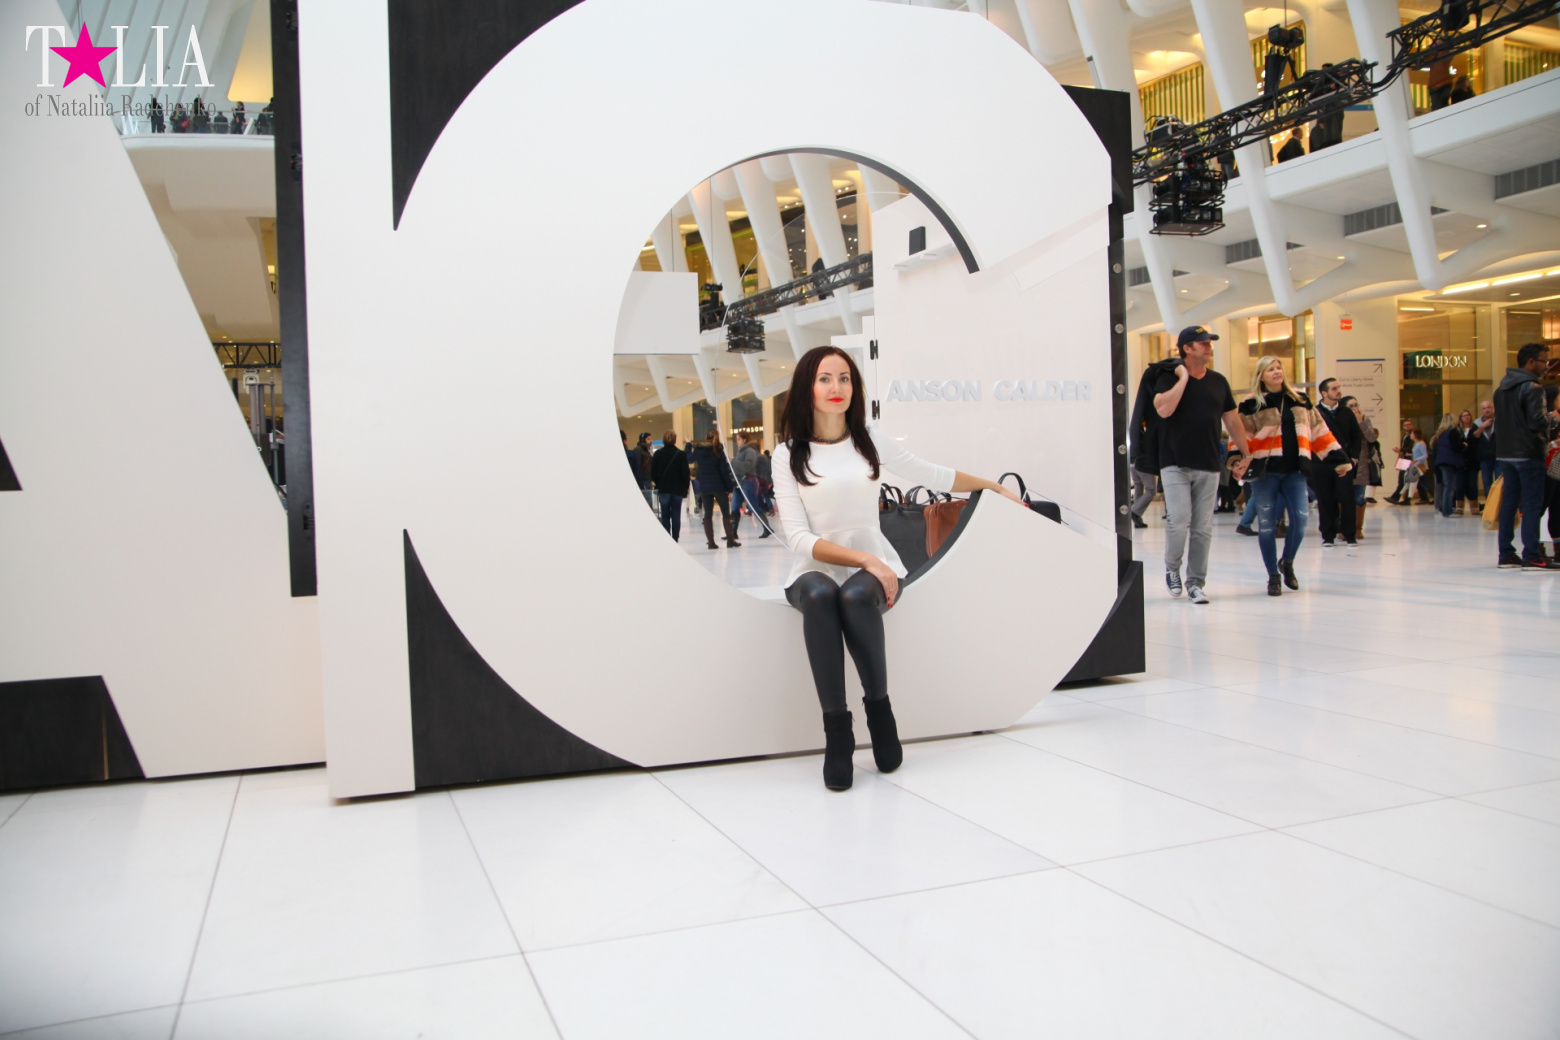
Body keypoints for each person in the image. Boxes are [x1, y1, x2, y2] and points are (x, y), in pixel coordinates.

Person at [771, 346, 1023, 790]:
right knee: (822, 594)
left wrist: (991, 486)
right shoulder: (787, 454)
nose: (836, 387)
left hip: (874, 568)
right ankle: (837, 732)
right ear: (807, 387)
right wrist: (865, 559)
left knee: (854, 597)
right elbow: (798, 538)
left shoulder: (869, 440)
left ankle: (879, 713)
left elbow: (933, 474)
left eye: (845, 378)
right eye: (825, 378)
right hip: (815, 567)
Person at [1153, 326, 1252, 604]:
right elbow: (1164, 409)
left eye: (1210, 343)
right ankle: (1172, 568)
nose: (1209, 347)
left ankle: (1196, 583)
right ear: (1187, 348)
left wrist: (1246, 454)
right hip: (1174, 461)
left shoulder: (1218, 381)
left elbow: (1232, 420)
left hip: (1208, 462)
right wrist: (1184, 377)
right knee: (1178, 519)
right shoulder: (1167, 377)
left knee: (1202, 527)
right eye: (1203, 343)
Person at [1239, 357, 1351, 596]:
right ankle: (1273, 575)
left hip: (1295, 471)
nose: (1277, 372)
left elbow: (1319, 431)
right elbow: (1241, 436)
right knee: (1267, 525)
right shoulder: (1250, 403)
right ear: (1261, 375)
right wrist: (1237, 460)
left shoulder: (1299, 398)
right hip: (1265, 472)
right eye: (1270, 369)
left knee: (1300, 520)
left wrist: (1337, 459)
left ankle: (1287, 562)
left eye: (1278, 368)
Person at [1494, 342, 1555, 569]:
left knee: (1509, 503)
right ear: (1531, 362)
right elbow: (1537, 421)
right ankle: (1531, 554)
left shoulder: (1501, 390)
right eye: (1544, 361)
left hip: (1506, 454)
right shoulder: (1533, 388)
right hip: (1529, 453)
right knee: (1531, 505)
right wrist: (1554, 419)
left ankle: (1506, 554)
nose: (1546, 366)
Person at [1313, 377, 1363, 546]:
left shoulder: (1346, 412)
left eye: (1339, 387)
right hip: (1321, 463)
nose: (1338, 391)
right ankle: (1328, 535)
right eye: (1334, 389)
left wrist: (1354, 457)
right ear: (1324, 393)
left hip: (1343, 461)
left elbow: (1356, 436)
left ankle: (1350, 534)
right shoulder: (1314, 413)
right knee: (1325, 499)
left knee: (1347, 498)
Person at [688, 429, 739, 550]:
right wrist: (729, 488)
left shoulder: (698, 450)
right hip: (718, 486)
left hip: (705, 487)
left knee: (707, 514)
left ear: (706, 438)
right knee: (725, 513)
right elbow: (724, 472)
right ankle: (730, 540)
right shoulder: (718, 451)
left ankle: (711, 542)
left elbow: (688, 458)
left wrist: (688, 445)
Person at [1343, 396, 1377, 536]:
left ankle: (1357, 528)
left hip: (1361, 464)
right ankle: (1343, 528)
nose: (1355, 408)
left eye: (1356, 404)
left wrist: (1361, 422)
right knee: (1343, 496)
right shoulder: (1340, 419)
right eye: (1351, 406)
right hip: (1344, 461)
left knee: (1359, 496)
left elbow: (1372, 438)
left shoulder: (1364, 419)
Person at [650, 430, 690, 541]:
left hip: (664, 489)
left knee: (665, 514)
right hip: (677, 490)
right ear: (675, 440)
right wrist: (685, 488)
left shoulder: (658, 454)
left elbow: (653, 474)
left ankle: (667, 538)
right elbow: (685, 474)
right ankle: (675, 538)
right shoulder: (681, 454)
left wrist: (658, 483)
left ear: (663, 440)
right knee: (676, 515)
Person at [729, 431, 763, 539]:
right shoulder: (740, 452)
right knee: (734, 506)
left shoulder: (750, 451)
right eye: (736, 439)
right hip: (739, 482)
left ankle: (767, 528)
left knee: (753, 506)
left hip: (749, 481)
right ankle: (732, 532)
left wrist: (733, 461)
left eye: (739, 439)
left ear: (744, 439)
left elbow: (747, 466)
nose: (737, 441)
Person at [1431, 413, 1464, 518]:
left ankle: (1443, 508)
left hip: (1441, 462)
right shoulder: (1453, 432)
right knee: (1449, 487)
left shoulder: (1441, 434)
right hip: (1450, 462)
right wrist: (1464, 445)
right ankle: (1447, 510)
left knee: (1446, 486)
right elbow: (1456, 447)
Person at [1471, 399, 1498, 505]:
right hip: (1484, 457)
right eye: (1484, 408)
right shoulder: (1477, 423)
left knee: (1499, 481)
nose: (1487, 410)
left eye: (1488, 407)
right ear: (1481, 410)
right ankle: (1490, 504)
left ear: (1493, 408)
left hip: (1499, 456)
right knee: (1487, 482)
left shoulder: (1500, 420)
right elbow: (1473, 438)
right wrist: (1482, 427)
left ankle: (1499, 504)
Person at [1454, 410, 1480, 513]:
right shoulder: (1457, 430)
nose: (1466, 417)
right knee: (1459, 484)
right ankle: (1459, 507)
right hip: (1460, 461)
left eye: (1468, 415)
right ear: (1460, 418)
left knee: (1472, 484)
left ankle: (1474, 507)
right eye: (1464, 416)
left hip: (1472, 461)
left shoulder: (1475, 428)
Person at [634, 432, 655, 505]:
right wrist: (641, 482)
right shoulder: (638, 450)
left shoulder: (647, 451)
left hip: (647, 480)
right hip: (643, 481)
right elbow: (637, 467)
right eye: (648, 439)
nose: (651, 441)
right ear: (643, 440)